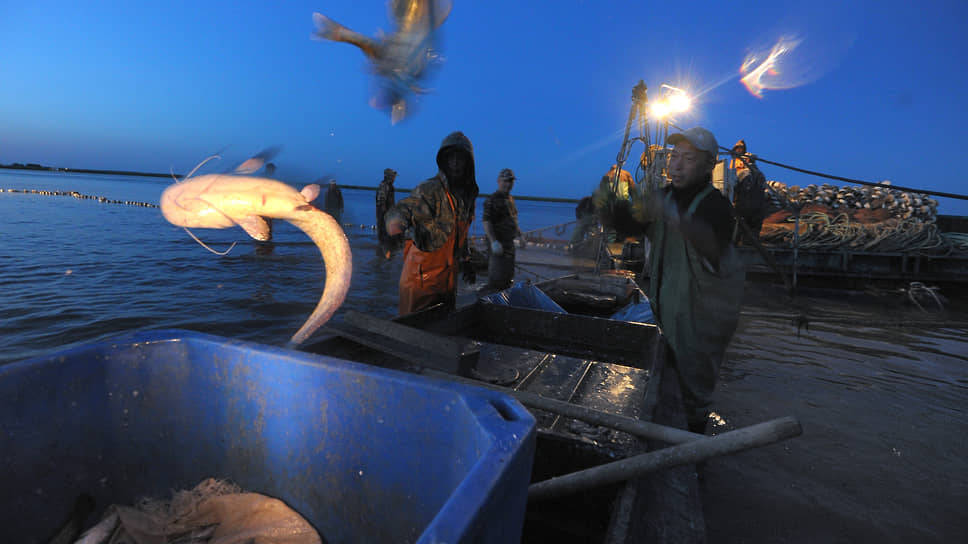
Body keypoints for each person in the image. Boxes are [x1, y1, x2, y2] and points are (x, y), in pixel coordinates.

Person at [595, 127, 745, 434]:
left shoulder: (717, 207)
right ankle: (668, 437)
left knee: (694, 393)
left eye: (688, 158)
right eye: (674, 156)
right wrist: (608, 211)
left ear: (707, 166)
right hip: (666, 309)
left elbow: (709, 243)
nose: (676, 164)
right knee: (664, 377)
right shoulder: (663, 197)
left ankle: (691, 454)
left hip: (701, 320)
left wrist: (673, 214)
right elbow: (631, 225)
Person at [385, 131, 479, 315]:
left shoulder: (467, 197)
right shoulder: (429, 190)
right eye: (451, 158)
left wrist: (466, 261)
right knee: (413, 332)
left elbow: (461, 235)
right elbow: (402, 210)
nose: (456, 163)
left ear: (469, 163)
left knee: (443, 328)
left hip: (447, 281)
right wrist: (394, 230)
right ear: (443, 161)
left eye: (461, 158)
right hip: (420, 282)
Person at [482, 168, 523, 293]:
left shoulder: (510, 199)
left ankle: (505, 299)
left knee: (508, 276)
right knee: (496, 278)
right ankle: (489, 302)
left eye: (511, 181)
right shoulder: (492, 199)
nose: (508, 184)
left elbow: (513, 220)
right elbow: (486, 221)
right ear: (499, 181)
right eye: (505, 181)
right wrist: (494, 241)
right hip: (498, 245)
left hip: (509, 244)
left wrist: (520, 236)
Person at [730, 139, 767, 242]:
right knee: (749, 231)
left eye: (740, 148)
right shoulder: (734, 163)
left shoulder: (748, 173)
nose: (739, 150)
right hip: (755, 206)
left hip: (747, 204)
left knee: (742, 227)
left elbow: (738, 187)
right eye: (737, 148)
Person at [375, 168, 401, 258]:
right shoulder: (384, 186)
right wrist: (385, 214)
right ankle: (383, 253)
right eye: (393, 177)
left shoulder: (390, 186)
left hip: (389, 214)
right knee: (383, 233)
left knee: (388, 234)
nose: (394, 178)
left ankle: (387, 253)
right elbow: (381, 201)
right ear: (389, 176)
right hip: (384, 215)